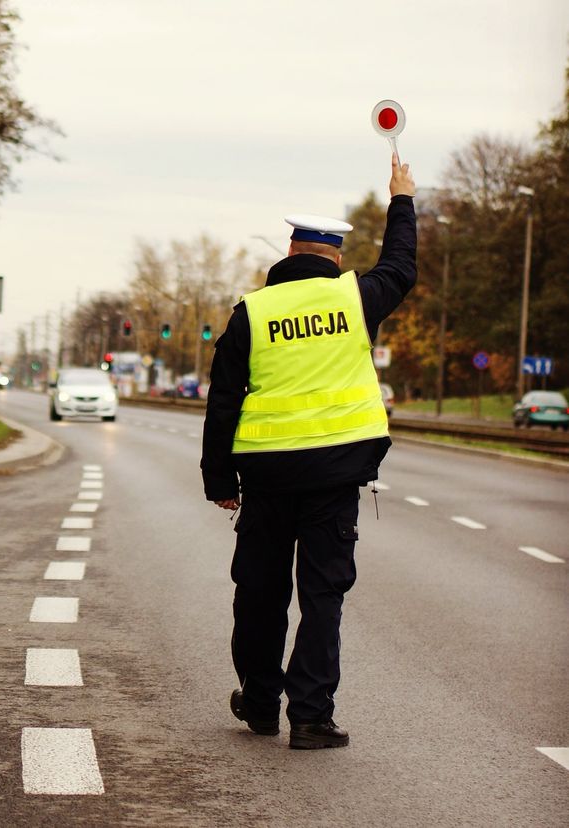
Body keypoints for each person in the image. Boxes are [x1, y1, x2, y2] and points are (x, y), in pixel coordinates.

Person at [200, 154, 417, 749]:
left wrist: (220, 479)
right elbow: (400, 266)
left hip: (267, 479)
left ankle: (262, 703)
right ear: (336, 258)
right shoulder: (356, 300)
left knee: (260, 592)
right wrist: (401, 198)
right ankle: (312, 718)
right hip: (333, 479)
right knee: (323, 597)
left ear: (289, 251)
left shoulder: (253, 311)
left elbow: (223, 402)